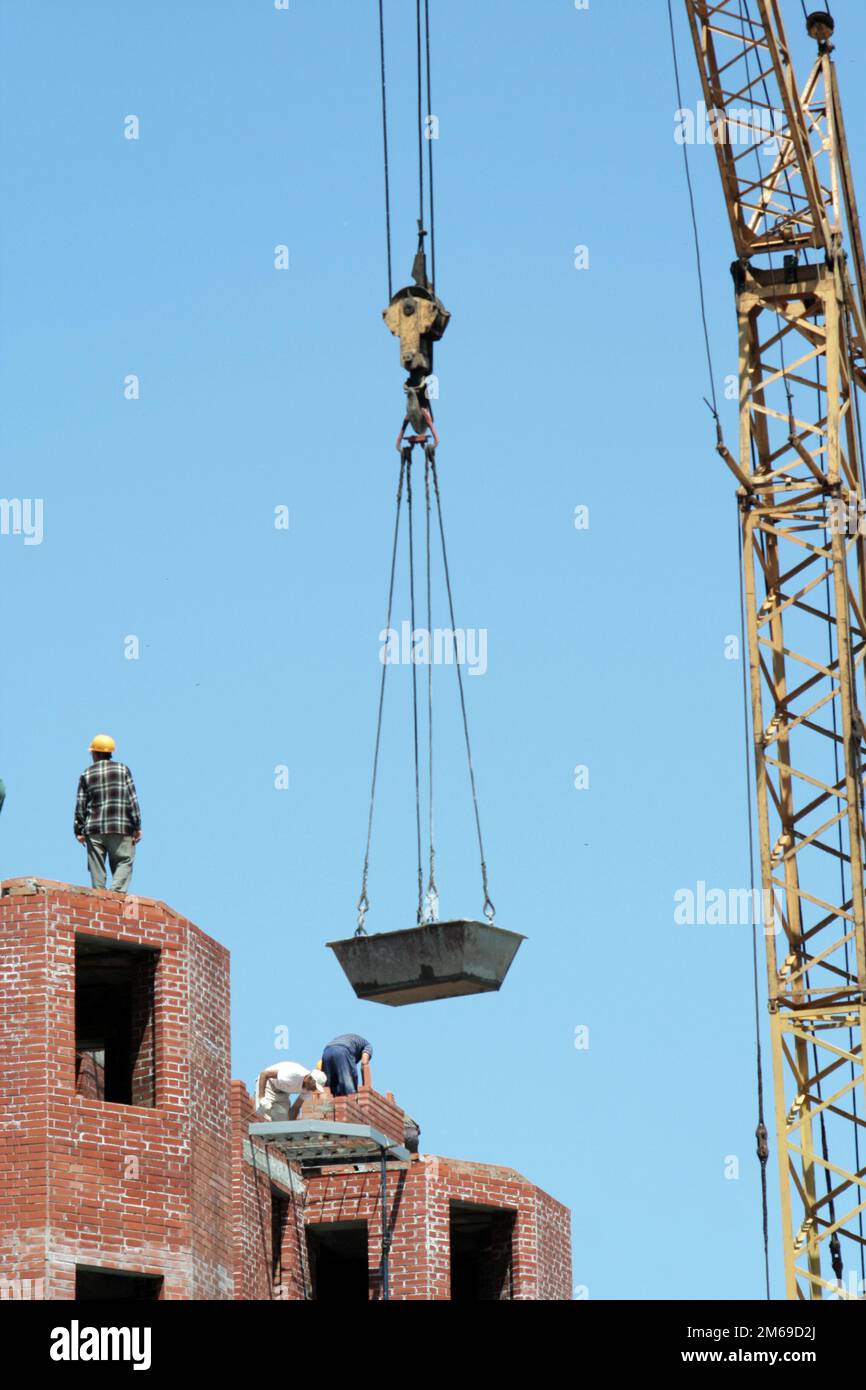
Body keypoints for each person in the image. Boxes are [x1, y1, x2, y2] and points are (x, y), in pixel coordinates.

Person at [74, 735, 142, 893]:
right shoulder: (123, 769)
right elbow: (132, 800)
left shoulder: (86, 774)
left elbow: (80, 805)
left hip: (94, 829)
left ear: (94, 753)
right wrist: (137, 826)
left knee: (96, 870)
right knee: (124, 861)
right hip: (121, 827)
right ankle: (116, 895)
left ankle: (100, 899)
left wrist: (78, 830)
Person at [255, 1061, 327, 1121]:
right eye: (314, 1086)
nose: (314, 1089)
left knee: (283, 1122)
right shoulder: (294, 1074)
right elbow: (264, 1074)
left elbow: (296, 1107)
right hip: (269, 1085)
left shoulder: (308, 1090)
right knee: (262, 1112)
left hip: (283, 1093)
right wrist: (262, 1098)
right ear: (309, 1079)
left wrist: (291, 1126)